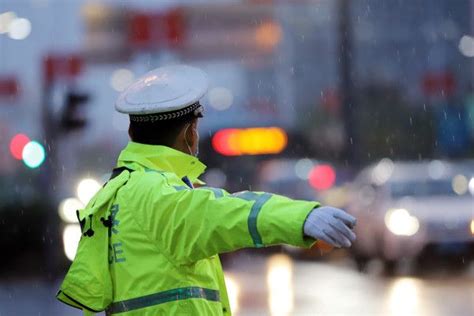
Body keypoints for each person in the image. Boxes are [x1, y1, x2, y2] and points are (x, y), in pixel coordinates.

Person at [56, 65, 356, 315]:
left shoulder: (117, 190)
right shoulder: (157, 193)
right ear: (190, 132)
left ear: (133, 132)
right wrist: (301, 217)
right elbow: (224, 212)